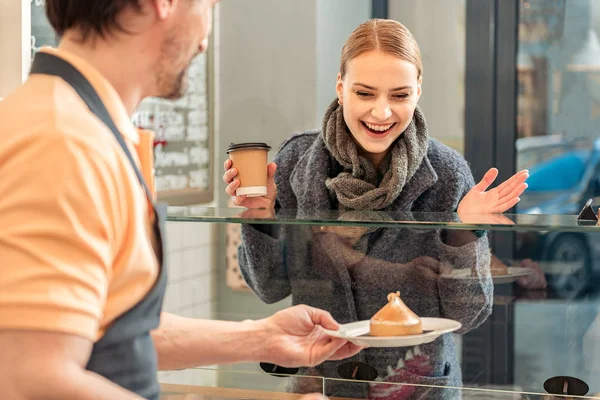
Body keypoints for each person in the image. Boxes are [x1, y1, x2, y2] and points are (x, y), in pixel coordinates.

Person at [0, 1, 362, 400]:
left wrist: (261, 336)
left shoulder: (82, 127)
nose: (205, 40)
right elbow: (30, 378)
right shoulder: (62, 141)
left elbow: (114, 332)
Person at [224, 19, 529, 399]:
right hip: (321, 384)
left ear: (419, 89)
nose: (381, 113)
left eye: (399, 95)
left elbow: (467, 316)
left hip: (416, 384)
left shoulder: (449, 173)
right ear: (340, 87)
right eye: (365, 93)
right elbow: (269, 288)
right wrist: (260, 215)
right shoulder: (297, 161)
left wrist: (463, 231)